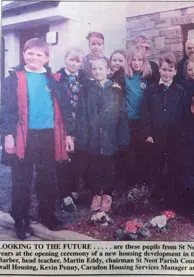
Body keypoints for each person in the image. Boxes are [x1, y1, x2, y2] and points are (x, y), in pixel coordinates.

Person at [0, 38, 73, 239]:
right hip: (23, 137)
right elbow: (5, 109)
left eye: (39, 54)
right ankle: (21, 220)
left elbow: (66, 109)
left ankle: (48, 215)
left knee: (48, 177)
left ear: (47, 58)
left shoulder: (54, 79)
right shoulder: (13, 79)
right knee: (21, 179)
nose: (34, 57)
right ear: (23, 54)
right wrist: (7, 135)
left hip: (49, 135)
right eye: (30, 53)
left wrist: (69, 134)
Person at [76, 58, 129, 213]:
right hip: (93, 137)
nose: (98, 72)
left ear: (108, 70)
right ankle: (96, 195)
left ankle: (107, 194)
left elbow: (122, 114)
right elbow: (82, 114)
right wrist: (83, 137)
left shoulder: (115, 90)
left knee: (109, 167)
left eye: (101, 69)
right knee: (94, 167)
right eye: (94, 69)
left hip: (109, 136)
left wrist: (122, 138)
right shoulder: (87, 89)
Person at [140, 53, 189, 205]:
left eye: (170, 70)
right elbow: (145, 112)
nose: (167, 73)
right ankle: (156, 197)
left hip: (174, 136)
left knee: (173, 166)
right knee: (156, 165)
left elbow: (184, 113)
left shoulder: (180, 91)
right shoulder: (151, 90)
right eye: (164, 69)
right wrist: (147, 132)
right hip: (156, 135)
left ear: (175, 71)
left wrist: (182, 135)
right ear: (159, 70)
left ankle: (172, 198)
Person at [112, 46, 152, 189]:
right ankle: (126, 186)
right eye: (133, 60)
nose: (136, 63)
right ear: (128, 61)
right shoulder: (123, 76)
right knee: (127, 154)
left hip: (141, 122)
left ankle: (140, 186)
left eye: (139, 60)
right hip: (126, 121)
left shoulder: (147, 77)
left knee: (141, 154)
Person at [56, 47, 89, 212]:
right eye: (71, 60)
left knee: (77, 159)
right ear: (65, 59)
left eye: (78, 61)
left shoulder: (85, 79)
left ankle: (73, 189)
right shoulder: (57, 77)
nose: (74, 64)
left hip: (80, 124)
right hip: (62, 123)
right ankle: (64, 194)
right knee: (64, 159)